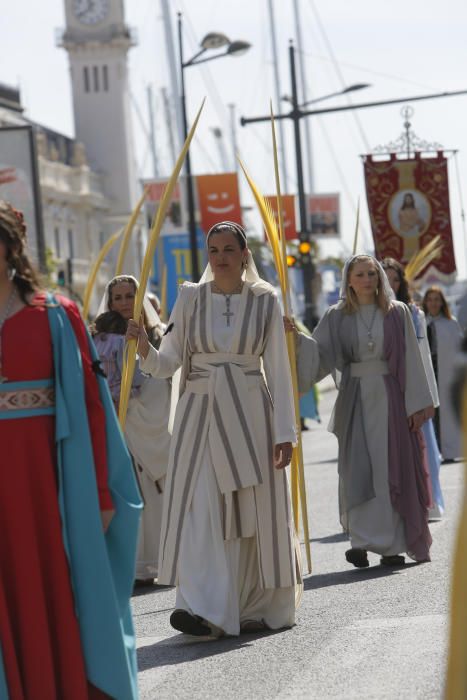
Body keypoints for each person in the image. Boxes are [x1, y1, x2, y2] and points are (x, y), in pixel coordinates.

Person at [126, 220, 300, 637]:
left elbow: (276, 369)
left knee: (251, 509)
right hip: (199, 413)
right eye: (213, 250)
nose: (220, 257)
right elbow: (168, 362)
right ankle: (203, 607)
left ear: (244, 254)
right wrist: (144, 347)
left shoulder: (266, 300)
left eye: (228, 250)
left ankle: (255, 604)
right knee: (201, 507)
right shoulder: (189, 297)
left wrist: (285, 433)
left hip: (250, 415)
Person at [0, 201, 141, 699]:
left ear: (10, 248)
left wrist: (101, 491)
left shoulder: (56, 315)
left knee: (61, 586)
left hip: (52, 481)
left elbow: (90, 405)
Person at [289, 254, 434, 568]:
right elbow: (320, 352)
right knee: (358, 468)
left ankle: (393, 544)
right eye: (360, 274)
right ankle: (362, 540)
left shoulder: (396, 313)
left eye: (372, 273)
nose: (367, 279)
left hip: (391, 397)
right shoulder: (337, 314)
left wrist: (415, 404)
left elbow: (411, 357)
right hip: (355, 399)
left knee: (390, 467)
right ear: (349, 280)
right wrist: (296, 339)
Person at [92, 274, 171, 585]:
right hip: (120, 425)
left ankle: (164, 559)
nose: (125, 302)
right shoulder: (101, 338)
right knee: (128, 491)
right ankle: (134, 565)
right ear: (110, 302)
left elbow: (166, 375)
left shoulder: (160, 335)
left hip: (154, 422)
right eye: (118, 297)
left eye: (130, 296)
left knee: (159, 494)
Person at [382, 258, 444, 519]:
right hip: (384, 389)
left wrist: (428, 396)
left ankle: (427, 502)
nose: (391, 285)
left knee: (423, 450)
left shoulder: (413, 312)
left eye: (395, 279)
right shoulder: (367, 314)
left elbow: (422, 357)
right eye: (386, 279)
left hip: (413, 388)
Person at [423, 286, 464, 462]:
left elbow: (458, 352)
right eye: (430, 299)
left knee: (446, 414)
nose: (433, 303)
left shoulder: (451, 324)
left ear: (442, 302)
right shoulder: (419, 322)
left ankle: (449, 450)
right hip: (427, 373)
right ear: (425, 302)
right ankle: (431, 451)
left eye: (437, 299)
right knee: (430, 414)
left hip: (445, 374)